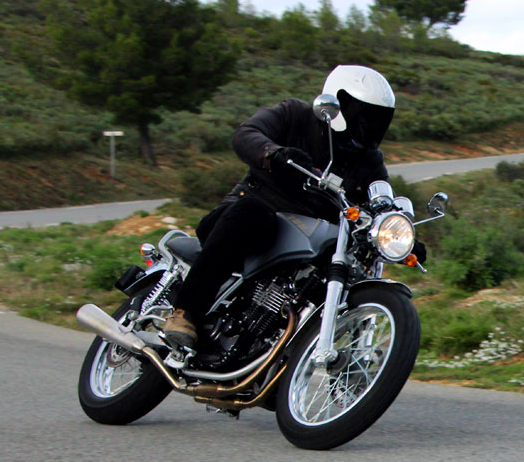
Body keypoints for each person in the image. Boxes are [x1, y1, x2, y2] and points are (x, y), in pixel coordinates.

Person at [163, 65, 408, 359]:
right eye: (363, 115)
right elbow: (246, 134)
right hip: (244, 217)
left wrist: (396, 231)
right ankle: (185, 312)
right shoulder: (295, 116)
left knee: (342, 265)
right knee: (253, 213)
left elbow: (381, 197)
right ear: (337, 104)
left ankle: (288, 351)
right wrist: (273, 154)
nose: (369, 125)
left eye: (378, 119)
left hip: (303, 239)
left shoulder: (369, 160)